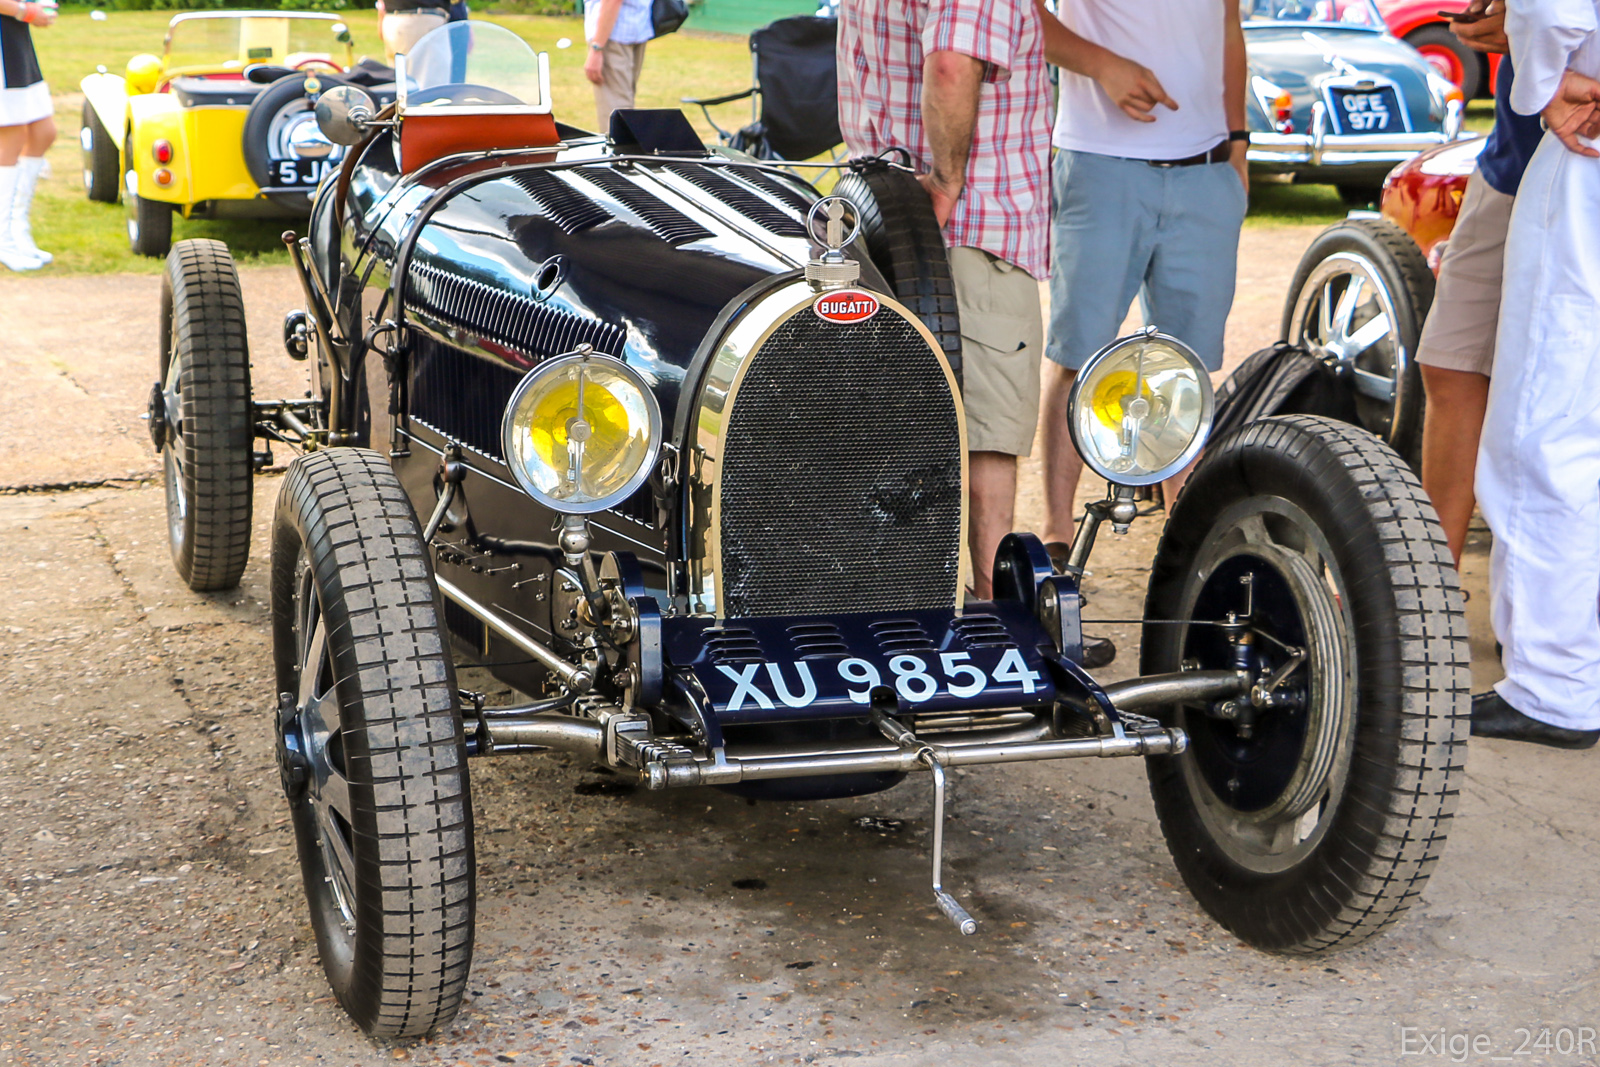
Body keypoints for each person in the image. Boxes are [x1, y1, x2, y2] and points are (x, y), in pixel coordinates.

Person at [835, 0, 1052, 609]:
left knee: (887, 436)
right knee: (984, 439)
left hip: (874, 225)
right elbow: (953, 66)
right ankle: (990, 635)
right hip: (966, 232)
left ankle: (898, 619)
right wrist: (945, 179)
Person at [1035, 0, 1248, 552]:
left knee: (1190, 366)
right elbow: (1019, 15)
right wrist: (1103, 64)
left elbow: (1228, 25)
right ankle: (1058, 536)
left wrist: (1239, 143)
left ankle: (1185, 539)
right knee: (1077, 355)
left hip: (1206, 170)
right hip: (1100, 165)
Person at [1470, 0, 1600, 750]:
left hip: (1588, 140)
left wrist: (1542, 86)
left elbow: (1551, 9)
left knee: (1546, 434)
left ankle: (1553, 685)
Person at [1416, 1, 1543, 566]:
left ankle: (1558, 601)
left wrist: (1534, 32)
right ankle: (1431, 590)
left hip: (1579, 167)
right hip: (1512, 161)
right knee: (1450, 360)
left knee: (1563, 392)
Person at [0, 0, 56, 272]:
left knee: (43, 131)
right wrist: (26, 10)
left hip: (13, 34)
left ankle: (18, 227)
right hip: (4, 36)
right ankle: (4, 239)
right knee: (12, 137)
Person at [584, 0, 653, 131]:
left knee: (616, 115)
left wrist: (597, 47)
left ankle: (620, 150)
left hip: (612, 34)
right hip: (635, 26)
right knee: (624, 109)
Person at [377, 0, 450, 65]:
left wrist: (381, 17)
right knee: (432, 75)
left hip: (393, 19)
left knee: (398, 75)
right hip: (422, 18)